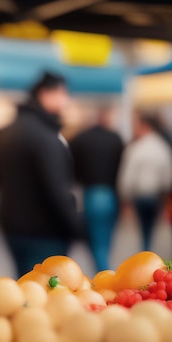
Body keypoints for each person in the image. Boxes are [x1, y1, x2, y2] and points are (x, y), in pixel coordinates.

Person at [0, 71, 80, 278]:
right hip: (46, 231)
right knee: (47, 292)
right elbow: (57, 191)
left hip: (11, 225)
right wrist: (76, 226)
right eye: (62, 93)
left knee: (24, 284)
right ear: (45, 94)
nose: (65, 100)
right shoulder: (47, 138)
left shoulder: (1, 133)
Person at [68, 108, 124, 271]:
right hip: (112, 194)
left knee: (96, 241)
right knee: (105, 242)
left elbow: (72, 168)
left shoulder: (80, 139)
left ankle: (103, 274)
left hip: (91, 194)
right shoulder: (115, 138)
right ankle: (104, 274)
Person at [117, 112, 172, 252]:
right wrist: (167, 193)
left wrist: (125, 197)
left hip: (140, 195)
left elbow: (127, 175)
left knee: (143, 228)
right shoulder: (162, 147)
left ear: (145, 127)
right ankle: (149, 250)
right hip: (156, 195)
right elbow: (168, 173)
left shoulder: (135, 148)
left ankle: (145, 249)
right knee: (152, 228)